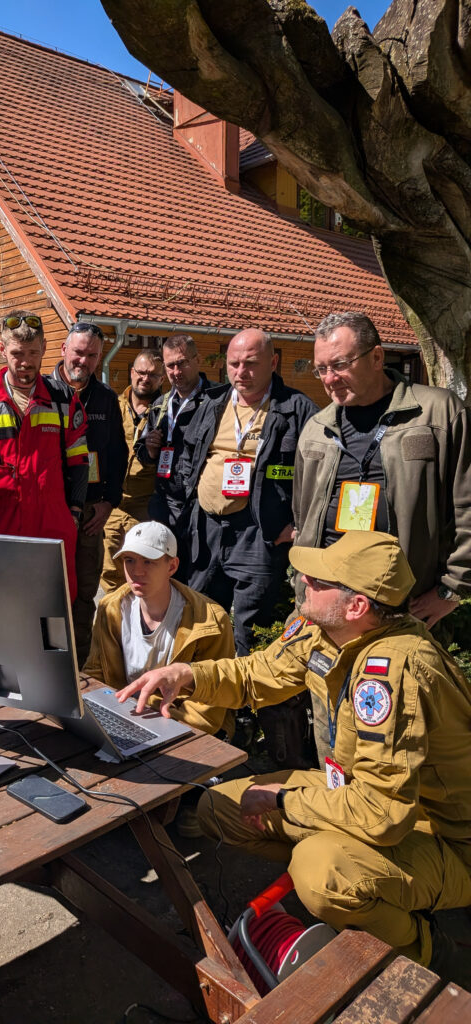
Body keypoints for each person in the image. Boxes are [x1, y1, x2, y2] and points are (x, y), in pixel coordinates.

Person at [116, 532, 471, 985]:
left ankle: (431, 948)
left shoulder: (394, 669)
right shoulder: (328, 631)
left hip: (442, 839)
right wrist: (185, 674)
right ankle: (362, 887)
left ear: (356, 605)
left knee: (320, 872)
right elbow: (257, 674)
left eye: (319, 580)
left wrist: (285, 801)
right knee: (218, 809)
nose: (303, 579)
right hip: (356, 796)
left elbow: (385, 814)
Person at [294, 311, 471, 759]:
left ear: (376, 357)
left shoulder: (437, 411)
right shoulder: (317, 427)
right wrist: (303, 589)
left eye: (339, 364)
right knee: (332, 712)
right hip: (331, 600)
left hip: (404, 602)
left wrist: (452, 589)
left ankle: (408, 819)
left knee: (404, 720)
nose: (329, 379)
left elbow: (468, 506)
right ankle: (337, 804)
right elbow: (304, 515)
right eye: (321, 369)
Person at [179, 329, 317, 655]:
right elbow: (188, 458)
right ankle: (202, 692)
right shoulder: (210, 404)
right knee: (199, 615)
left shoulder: (298, 410)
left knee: (248, 626)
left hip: (259, 533)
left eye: (251, 363)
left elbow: (320, 476)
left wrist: (299, 526)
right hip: (206, 529)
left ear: (274, 362)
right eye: (234, 363)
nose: (241, 372)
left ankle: (245, 703)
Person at [0, 311, 89, 601]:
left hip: (51, 531)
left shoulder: (64, 398)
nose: (26, 361)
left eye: (33, 352)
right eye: (17, 353)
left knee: (52, 618)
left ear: (44, 347)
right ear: (3, 350)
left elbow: (79, 461)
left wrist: (75, 515)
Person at [84, 521, 234, 737]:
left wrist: (143, 716)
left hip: (182, 727)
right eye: (129, 560)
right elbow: (96, 673)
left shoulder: (209, 621)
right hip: (123, 716)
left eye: (148, 561)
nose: (137, 571)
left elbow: (207, 709)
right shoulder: (112, 608)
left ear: (171, 566)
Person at [49, 322, 128, 664]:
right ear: (64, 350)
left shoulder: (107, 399)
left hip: (91, 514)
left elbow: (117, 455)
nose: (83, 360)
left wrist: (109, 503)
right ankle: (48, 659)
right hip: (48, 511)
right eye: (78, 352)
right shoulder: (42, 393)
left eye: (92, 355)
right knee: (48, 590)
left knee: (83, 592)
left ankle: (78, 664)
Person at [139, 334, 219, 535]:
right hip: (166, 506)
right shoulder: (159, 406)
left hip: (203, 507)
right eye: (170, 366)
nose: (176, 371)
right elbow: (142, 453)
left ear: (198, 360)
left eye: (182, 363)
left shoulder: (218, 400)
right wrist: (149, 449)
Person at [100, 351, 164, 593]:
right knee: (107, 573)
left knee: (141, 577)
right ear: (132, 372)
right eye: (141, 372)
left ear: (161, 379)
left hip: (145, 507)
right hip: (112, 505)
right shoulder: (113, 406)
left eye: (153, 374)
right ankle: (112, 627)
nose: (145, 378)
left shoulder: (165, 412)